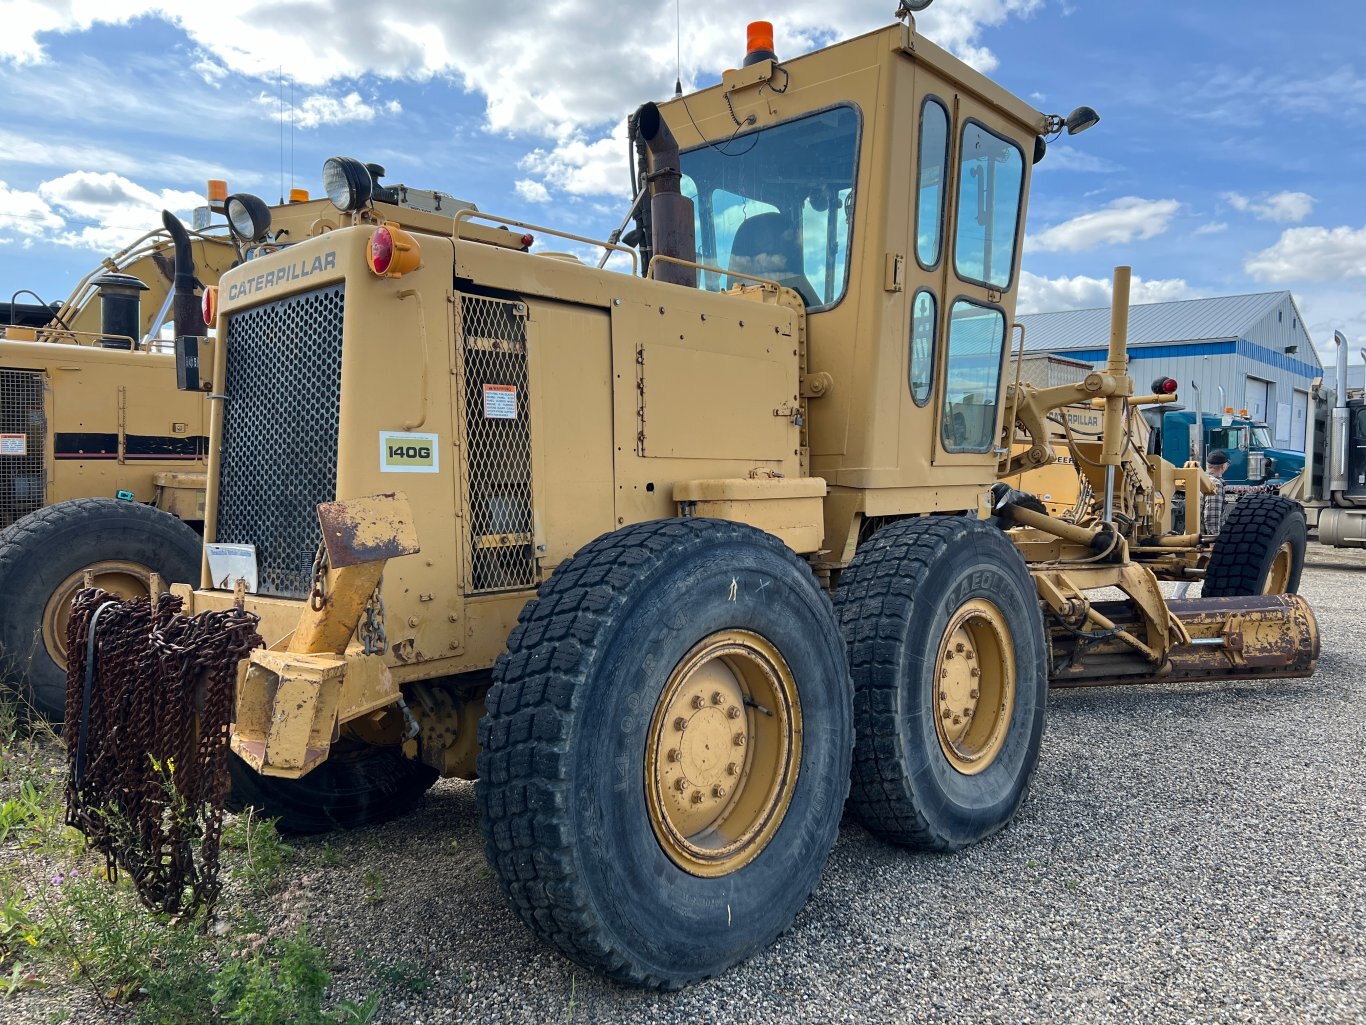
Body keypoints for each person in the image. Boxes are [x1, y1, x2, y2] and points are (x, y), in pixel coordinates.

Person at [1202, 449, 1231, 535]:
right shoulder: (1215, 484)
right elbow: (1211, 517)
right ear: (1224, 467)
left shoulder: (1200, 479)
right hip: (1203, 540)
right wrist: (1213, 540)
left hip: (1192, 537)